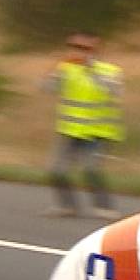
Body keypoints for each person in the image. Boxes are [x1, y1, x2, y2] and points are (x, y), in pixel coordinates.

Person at [44, 33, 123, 219]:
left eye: (84, 48)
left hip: (97, 132)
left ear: (95, 50)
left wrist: (90, 68)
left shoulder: (109, 71)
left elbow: (113, 90)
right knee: (57, 170)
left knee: (90, 169)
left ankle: (104, 207)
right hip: (70, 130)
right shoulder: (66, 69)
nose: (78, 52)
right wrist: (55, 69)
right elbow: (47, 88)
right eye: (74, 47)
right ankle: (66, 206)